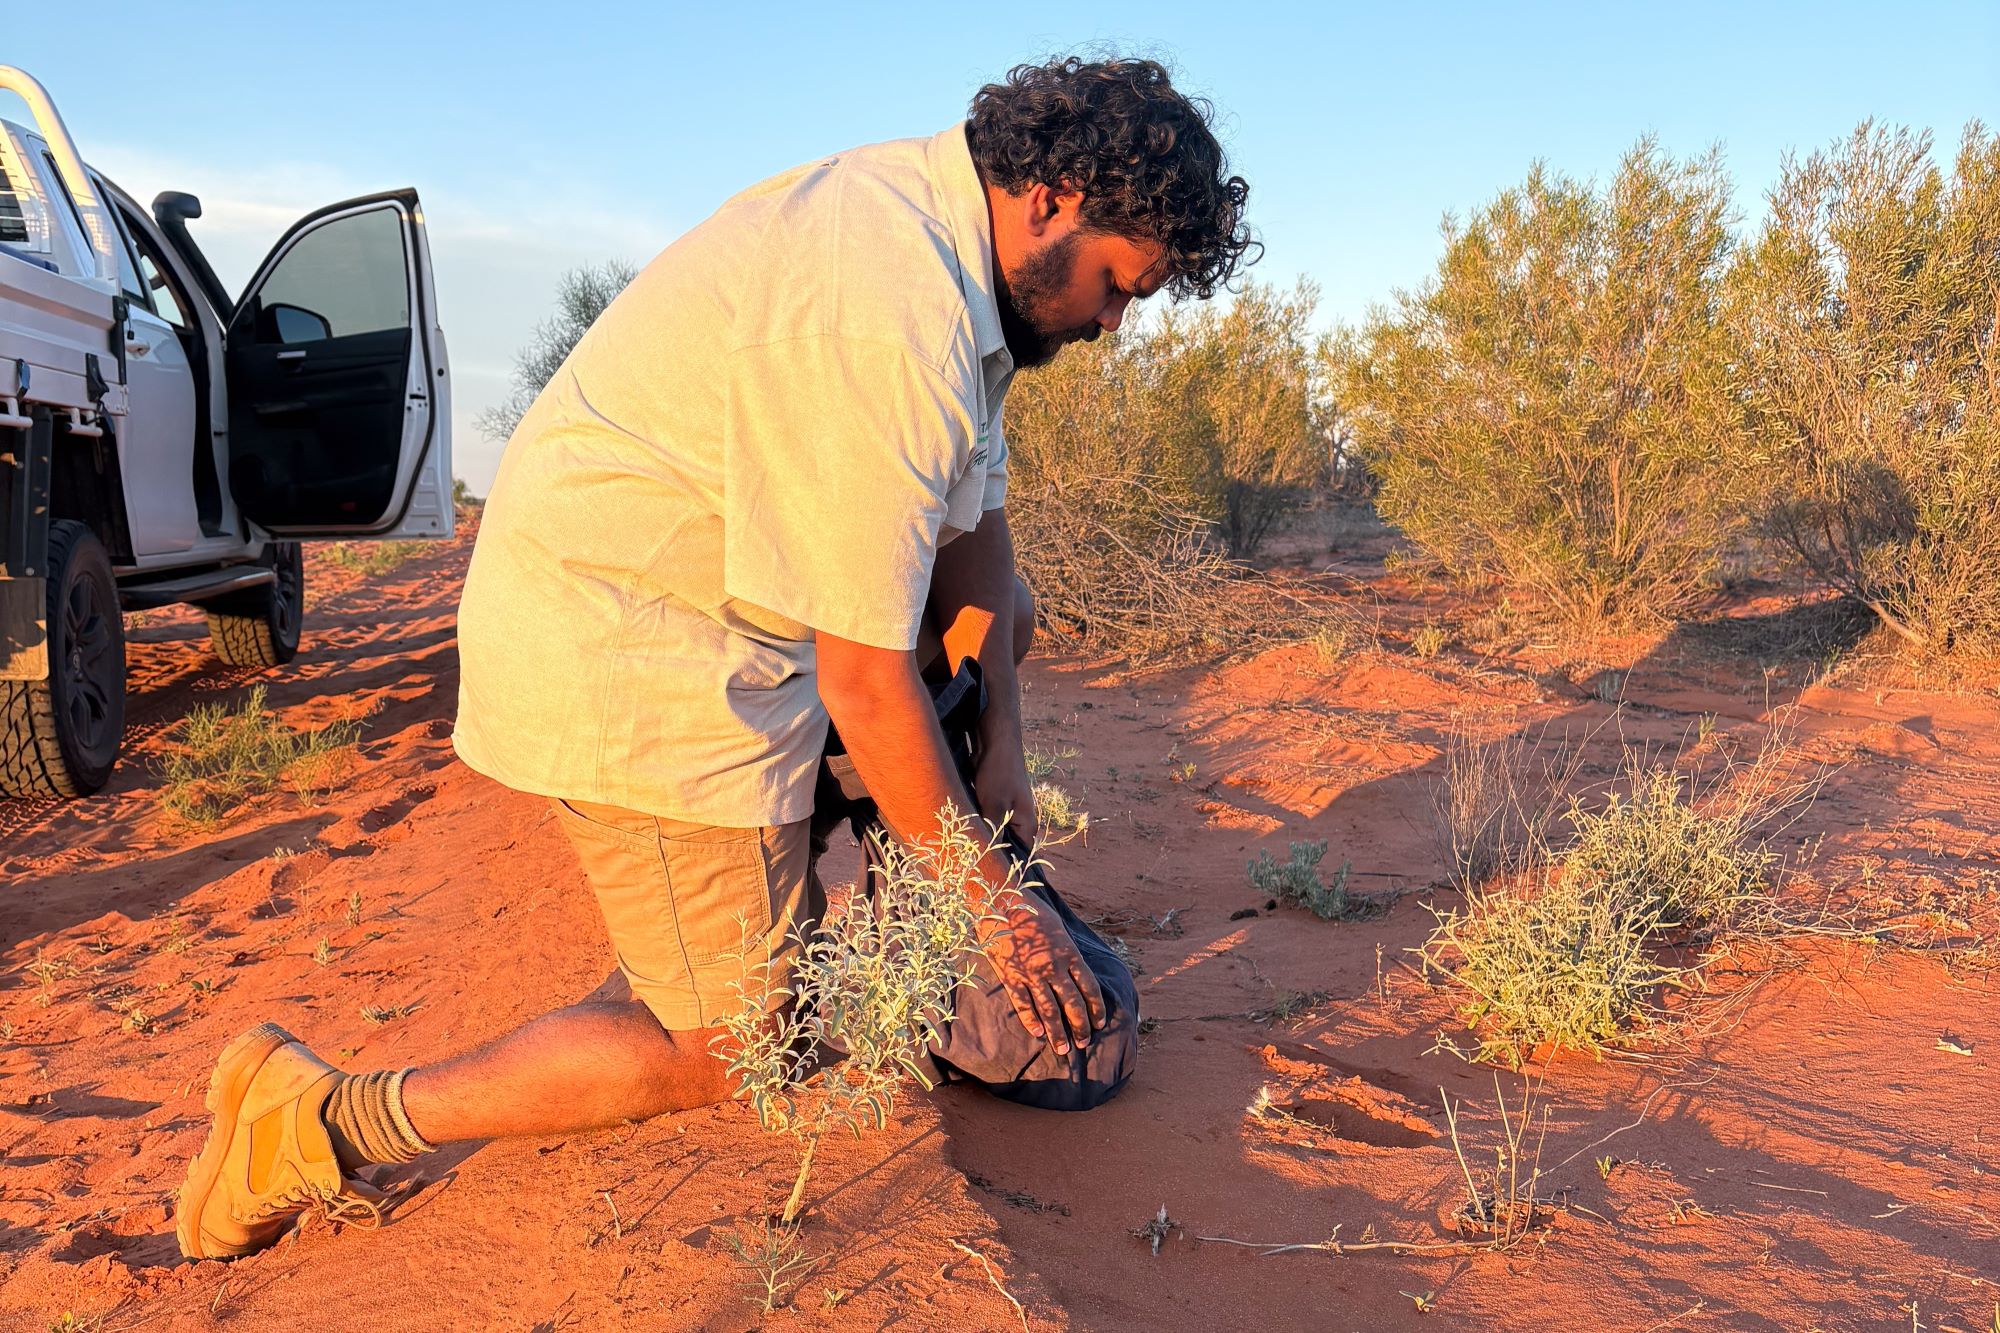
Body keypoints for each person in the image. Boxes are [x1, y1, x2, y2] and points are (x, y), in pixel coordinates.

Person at [174, 54, 1254, 1260]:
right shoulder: (879, 308)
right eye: (1119, 285)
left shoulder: (957, 274)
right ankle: (318, 1120)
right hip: (637, 651)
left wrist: (999, 760)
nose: (1113, 324)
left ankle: (751, 930)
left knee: (994, 643)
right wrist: (999, 908)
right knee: (733, 1047)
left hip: (732, 626)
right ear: (1055, 197)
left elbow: (980, 549)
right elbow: (861, 673)